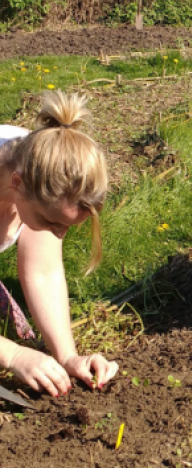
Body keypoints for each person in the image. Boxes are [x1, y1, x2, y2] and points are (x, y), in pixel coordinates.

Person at [0, 91, 118, 398]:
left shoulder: (41, 164)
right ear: (17, 184)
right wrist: (13, 355)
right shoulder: (30, 176)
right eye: (52, 222)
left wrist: (67, 357)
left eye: (65, 225)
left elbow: (42, 271)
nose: (60, 234)